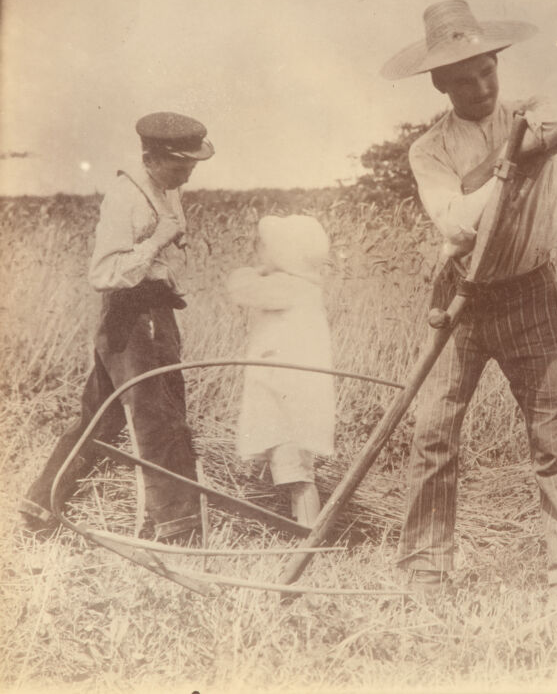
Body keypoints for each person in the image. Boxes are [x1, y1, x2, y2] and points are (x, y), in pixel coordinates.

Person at [380, 0, 557, 592]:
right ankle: (425, 575)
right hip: (461, 300)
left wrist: (527, 145)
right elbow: (456, 224)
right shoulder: (429, 150)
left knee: (553, 441)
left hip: (531, 294)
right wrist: (510, 163)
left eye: (486, 71)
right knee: (433, 436)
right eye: (462, 79)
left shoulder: (530, 114)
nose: (478, 87)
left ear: (498, 63)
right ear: (440, 84)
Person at [19, 111, 215, 543]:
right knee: (158, 419)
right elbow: (103, 273)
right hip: (129, 317)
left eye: (193, 166)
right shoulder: (125, 196)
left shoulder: (167, 186)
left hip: (156, 313)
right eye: (181, 166)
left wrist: (166, 250)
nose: (188, 175)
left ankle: (39, 505)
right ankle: (177, 529)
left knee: (102, 419)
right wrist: (156, 242)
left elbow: (164, 233)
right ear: (152, 157)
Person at [226, 215, 335, 527]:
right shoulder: (301, 287)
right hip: (283, 394)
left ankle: (308, 534)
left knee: (297, 473)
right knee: (290, 467)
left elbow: (240, 288)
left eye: (266, 248)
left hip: (289, 400)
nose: (259, 253)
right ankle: (297, 526)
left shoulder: (291, 287)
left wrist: (256, 270)